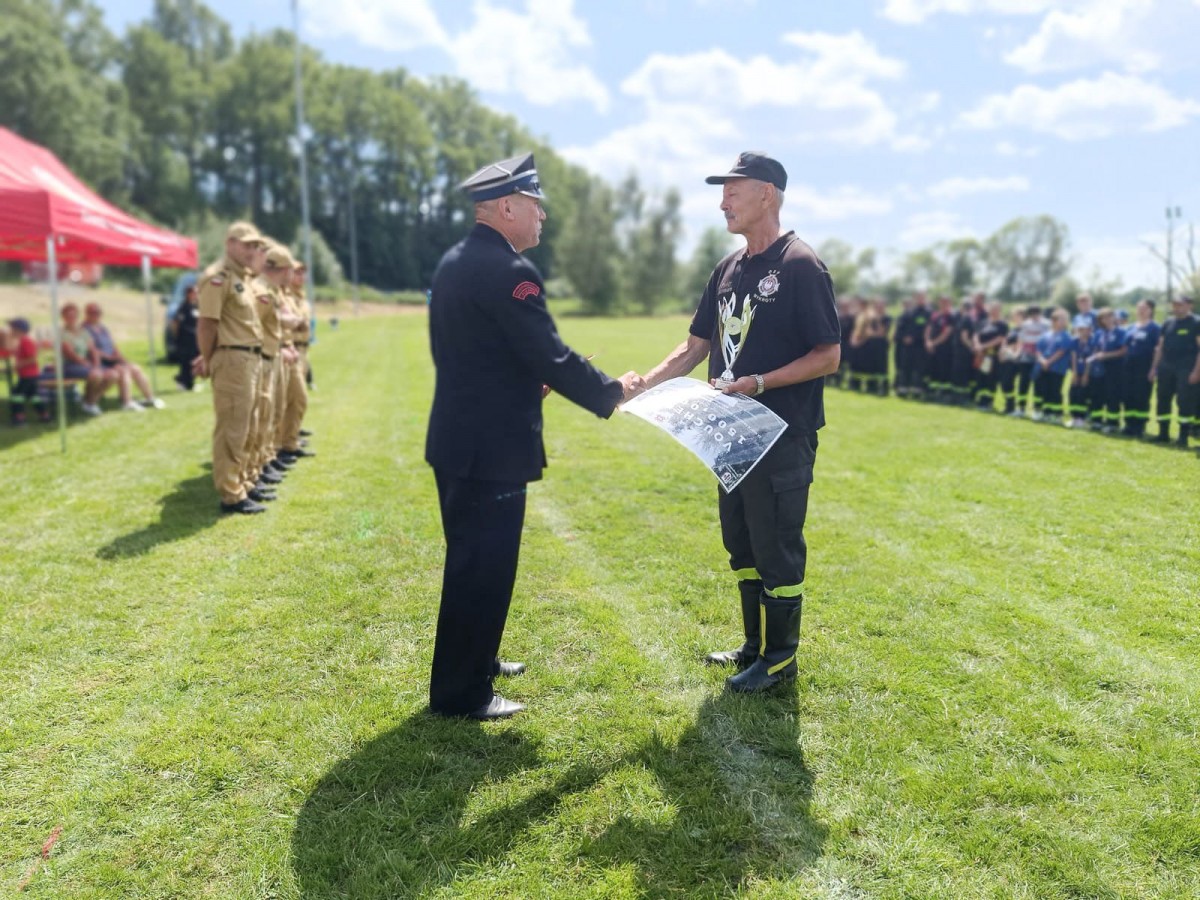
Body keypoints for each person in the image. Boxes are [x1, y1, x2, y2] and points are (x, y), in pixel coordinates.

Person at [426, 152, 644, 720]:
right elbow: (550, 354)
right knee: (484, 567)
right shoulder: (511, 272)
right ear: (506, 207)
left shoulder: (454, 261)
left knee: (472, 559)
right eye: (535, 205)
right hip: (490, 447)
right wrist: (611, 390)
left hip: (458, 436)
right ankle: (462, 693)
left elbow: (476, 354)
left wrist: (526, 384)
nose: (542, 217)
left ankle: (479, 661)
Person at [642, 151, 840, 695]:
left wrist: (759, 382)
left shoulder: (801, 264)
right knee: (743, 541)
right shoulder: (728, 269)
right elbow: (696, 345)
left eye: (734, 189)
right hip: (728, 434)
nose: (723, 200)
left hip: (779, 434)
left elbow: (827, 356)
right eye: (722, 190)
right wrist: (643, 385)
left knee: (777, 543)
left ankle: (779, 660)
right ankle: (753, 647)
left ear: (767, 195)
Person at [194, 221, 268, 514]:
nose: (252, 250)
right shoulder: (218, 278)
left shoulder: (243, 278)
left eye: (254, 245)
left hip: (249, 357)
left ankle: (243, 483)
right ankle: (230, 494)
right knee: (232, 429)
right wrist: (209, 357)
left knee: (247, 425)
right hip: (233, 358)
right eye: (246, 244)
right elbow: (207, 324)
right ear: (230, 244)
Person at [83, 302, 166, 411]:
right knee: (123, 371)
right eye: (93, 312)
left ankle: (149, 397)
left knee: (135, 369)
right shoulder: (85, 329)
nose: (96, 315)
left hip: (112, 359)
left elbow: (112, 345)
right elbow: (92, 350)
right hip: (101, 362)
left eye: (98, 312)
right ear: (87, 313)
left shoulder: (103, 328)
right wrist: (109, 357)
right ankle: (126, 402)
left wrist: (119, 356)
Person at [1149, 295, 1200, 448]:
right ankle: (1163, 434)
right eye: (1175, 305)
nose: (1177, 308)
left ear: (1189, 305)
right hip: (1166, 367)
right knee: (1162, 398)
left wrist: (1196, 371)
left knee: (1184, 402)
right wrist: (1154, 368)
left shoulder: (1196, 323)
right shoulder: (1168, 323)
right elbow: (1160, 347)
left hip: (1186, 368)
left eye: (1180, 305)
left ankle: (1183, 437)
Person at [58, 303, 114, 415]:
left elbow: (93, 350)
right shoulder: (61, 333)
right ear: (63, 318)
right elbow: (70, 354)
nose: (71, 319)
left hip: (86, 363)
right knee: (96, 375)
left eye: (74, 316)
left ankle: (90, 401)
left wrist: (97, 364)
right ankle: (90, 403)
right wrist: (88, 365)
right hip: (69, 365)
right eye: (68, 316)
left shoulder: (83, 332)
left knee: (113, 375)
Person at [1120, 299, 1160, 438]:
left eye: (1144, 308)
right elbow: (1125, 348)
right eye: (1139, 308)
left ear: (1151, 310)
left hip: (1145, 367)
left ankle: (1139, 426)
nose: (1141, 311)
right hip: (1129, 367)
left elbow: (1158, 350)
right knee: (1128, 395)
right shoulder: (1131, 328)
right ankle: (1129, 424)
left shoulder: (1155, 328)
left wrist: (1154, 369)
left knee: (1141, 396)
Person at [1085, 307, 1127, 433]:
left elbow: (1124, 350)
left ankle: (1112, 423)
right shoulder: (1098, 333)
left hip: (1114, 368)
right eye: (1104, 317)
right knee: (1097, 395)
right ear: (1100, 320)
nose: (1107, 320)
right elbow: (1095, 349)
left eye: (1110, 316)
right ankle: (1097, 421)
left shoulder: (1121, 332)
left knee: (1112, 396)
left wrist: (1106, 355)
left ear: (1114, 317)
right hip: (1098, 369)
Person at [1, 318, 50, 424]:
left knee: (17, 395)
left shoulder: (26, 341)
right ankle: (44, 415)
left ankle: (19, 418)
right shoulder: (21, 341)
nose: (10, 331)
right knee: (34, 396)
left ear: (19, 330)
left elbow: (32, 358)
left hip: (29, 375)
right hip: (27, 375)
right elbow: (11, 351)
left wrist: (17, 365)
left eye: (12, 329)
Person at [1032, 308, 1072, 423]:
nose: (1055, 321)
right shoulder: (1046, 335)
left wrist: (1048, 362)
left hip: (1057, 368)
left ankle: (1057, 415)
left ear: (1066, 321)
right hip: (1042, 367)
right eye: (1054, 318)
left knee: (1055, 391)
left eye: (1059, 319)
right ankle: (1045, 412)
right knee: (1043, 390)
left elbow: (1061, 351)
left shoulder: (1066, 335)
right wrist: (1042, 361)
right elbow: (1039, 350)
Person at [972, 301, 1008, 411]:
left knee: (990, 379)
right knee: (982, 377)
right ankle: (982, 400)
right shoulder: (983, 322)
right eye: (992, 308)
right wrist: (978, 345)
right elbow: (976, 335)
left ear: (1000, 310)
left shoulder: (1002, 325)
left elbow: (1000, 339)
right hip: (981, 355)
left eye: (996, 309)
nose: (994, 311)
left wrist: (983, 346)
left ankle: (988, 402)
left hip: (991, 356)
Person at [1013, 305, 1049, 417]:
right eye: (1032, 313)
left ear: (1040, 313)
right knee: (1023, 383)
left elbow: (1048, 340)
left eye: (1036, 313)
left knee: (1039, 384)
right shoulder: (1025, 324)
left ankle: (1037, 410)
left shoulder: (1046, 324)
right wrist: (1018, 353)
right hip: (1026, 357)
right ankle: (1021, 408)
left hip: (1039, 358)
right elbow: (1021, 339)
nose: (1034, 315)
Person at [894, 292, 930, 399]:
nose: (920, 300)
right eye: (918, 298)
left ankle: (917, 391)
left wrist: (915, 338)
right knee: (905, 367)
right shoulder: (908, 313)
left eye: (922, 298)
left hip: (920, 347)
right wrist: (904, 337)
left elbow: (928, 330)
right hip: (907, 347)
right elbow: (900, 327)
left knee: (918, 369)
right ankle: (903, 390)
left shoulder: (928, 314)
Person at [923, 296, 955, 402]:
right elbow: (928, 328)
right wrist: (928, 341)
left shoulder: (951, 316)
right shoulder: (935, 315)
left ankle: (944, 394)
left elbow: (947, 333)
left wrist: (933, 343)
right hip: (932, 347)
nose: (944, 304)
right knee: (933, 370)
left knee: (944, 372)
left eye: (946, 302)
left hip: (945, 349)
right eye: (942, 302)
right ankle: (932, 392)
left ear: (950, 303)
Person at [172, 285, 201, 392]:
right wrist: (177, 337)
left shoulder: (195, 307)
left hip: (194, 340)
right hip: (185, 339)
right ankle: (183, 382)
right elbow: (175, 323)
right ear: (189, 294)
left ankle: (190, 383)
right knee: (185, 362)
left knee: (194, 361)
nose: (196, 295)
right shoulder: (183, 307)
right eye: (194, 293)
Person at [1067, 322, 1093, 428]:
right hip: (1076, 371)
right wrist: (1074, 372)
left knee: (1083, 395)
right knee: (1073, 393)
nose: (1083, 332)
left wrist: (1086, 374)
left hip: (1086, 372)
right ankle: (1074, 417)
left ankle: (1082, 418)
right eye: (1080, 329)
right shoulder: (1074, 341)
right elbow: (1074, 356)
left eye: (1085, 329)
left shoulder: (1092, 341)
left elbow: (1090, 358)